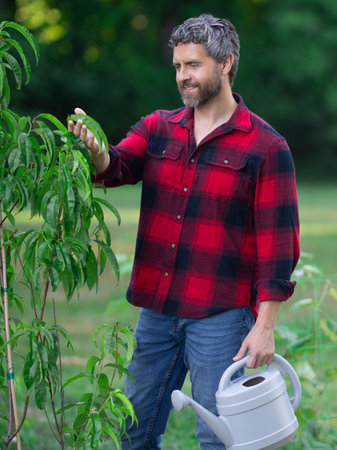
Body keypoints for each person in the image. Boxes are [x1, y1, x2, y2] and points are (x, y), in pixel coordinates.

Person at [68, 14, 300, 449]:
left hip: (222, 318)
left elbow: (279, 246)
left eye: (192, 65)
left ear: (226, 63)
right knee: (133, 428)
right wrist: (96, 149)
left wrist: (265, 325)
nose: (182, 77)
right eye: (178, 66)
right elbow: (116, 166)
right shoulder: (158, 128)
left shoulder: (266, 147)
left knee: (217, 436)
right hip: (157, 314)